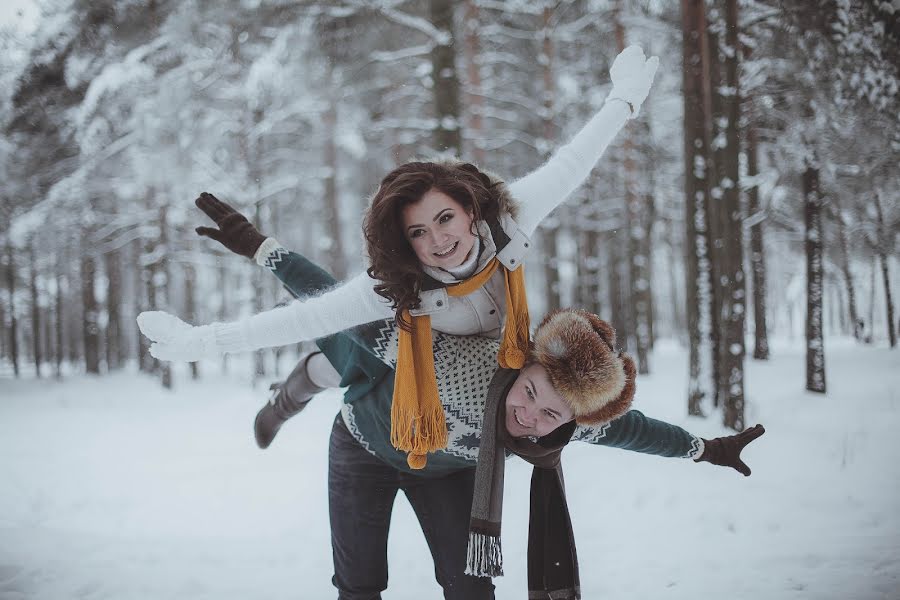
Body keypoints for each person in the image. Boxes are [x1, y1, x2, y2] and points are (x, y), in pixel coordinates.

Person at [140, 245, 766, 600]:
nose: (532, 418)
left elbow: (633, 428)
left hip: (443, 470)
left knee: (470, 588)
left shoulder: (560, 420)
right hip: (367, 440)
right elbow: (333, 303)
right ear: (522, 366)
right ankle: (284, 399)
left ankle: (305, 383)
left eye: (551, 416)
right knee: (359, 579)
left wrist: (705, 448)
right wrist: (265, 249)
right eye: (531, 395)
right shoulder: (455, 360)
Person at [137, 45, 660, 468]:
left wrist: (624, 101)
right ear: (405, 241)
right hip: (408, 347)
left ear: (470, 209)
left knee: (341, 358)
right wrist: (202, 338)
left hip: (477, 365)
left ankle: (307, 377)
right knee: (338, 360)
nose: (438, 239)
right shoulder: (400, 285)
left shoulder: (509, 219)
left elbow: (570, 165)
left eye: (445, 218)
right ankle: (281, 405)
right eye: (418, 231)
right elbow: (307, 312)